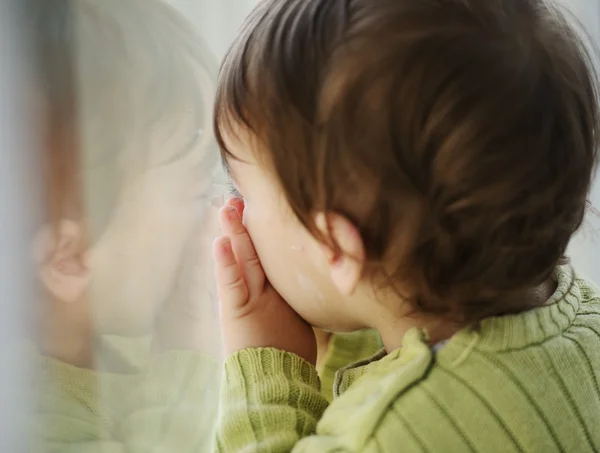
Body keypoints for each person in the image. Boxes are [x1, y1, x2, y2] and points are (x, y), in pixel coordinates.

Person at [212, 0, 600, 451]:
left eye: (243, 194)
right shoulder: (587, 328)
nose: (235, 216)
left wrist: (266, 370)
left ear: (337, 247)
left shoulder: (384, 435)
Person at [23, 0, 222, 450]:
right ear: (69, 259)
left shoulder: (117, 342)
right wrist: (188, 358)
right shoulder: (30, 423)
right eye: (196, 196)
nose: (217, 214)